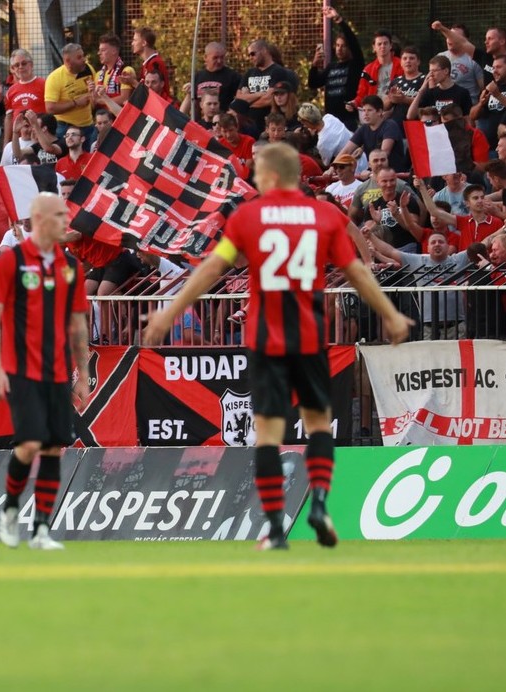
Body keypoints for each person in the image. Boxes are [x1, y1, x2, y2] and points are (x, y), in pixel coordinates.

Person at [143, 142, 412, 550]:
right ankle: (319, 503)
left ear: (268, 176)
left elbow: (213, 268)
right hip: (308, 334)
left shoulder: (249, 216)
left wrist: (168, 313)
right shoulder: (324, 215)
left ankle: (273, 527)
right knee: (319, 424)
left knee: (267, 432)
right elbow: (355, 271)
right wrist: (390, 316)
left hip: (265, 335)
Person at [0, 192, 90, 550]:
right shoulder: (11, 262)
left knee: (52, 449)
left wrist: (84, 373)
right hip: (20, 369)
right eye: (60, 215)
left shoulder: (70, 266)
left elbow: (77, 322)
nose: (66, 221)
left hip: (58, 371)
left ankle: (41, 529)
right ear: (40, 219)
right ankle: (10, 509)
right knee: (30, 444)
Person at [308, 7, 364, 131]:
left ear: (349, 48)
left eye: (343, 46)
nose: (339, 49)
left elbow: (354, 42)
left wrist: (339, 20)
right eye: (337, 45)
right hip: (331, 120)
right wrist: (314, 65)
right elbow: (313, 83)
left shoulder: (355, 64)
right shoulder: (331, 67)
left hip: (348, 120)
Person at [44, 43, 96, 145]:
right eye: (79, 57)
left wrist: (93, 93)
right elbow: (50, 108)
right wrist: (75, 103)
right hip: (65, 128)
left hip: (88, 126)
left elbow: (94, 97)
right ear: (68, 61)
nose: (84, 59)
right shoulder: (55, 78)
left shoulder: (88, 69)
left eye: (83, 55)